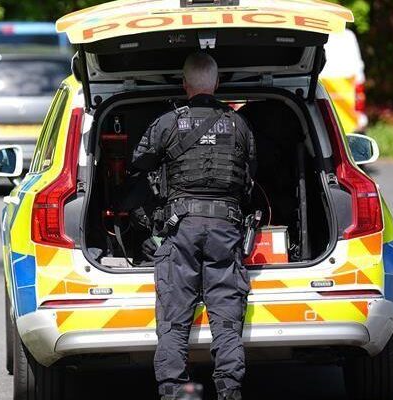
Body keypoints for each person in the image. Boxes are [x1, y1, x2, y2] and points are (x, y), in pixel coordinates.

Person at [129, 52, 257, 400]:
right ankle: (229, 391)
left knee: (174, 319)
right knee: (227, 318)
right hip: (226, 228)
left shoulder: (167, 123)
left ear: (184, 83)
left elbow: (138, 163)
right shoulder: (240, 125)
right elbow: (250, 178)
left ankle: (175, 393)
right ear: (217, 83)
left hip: (180, 228)